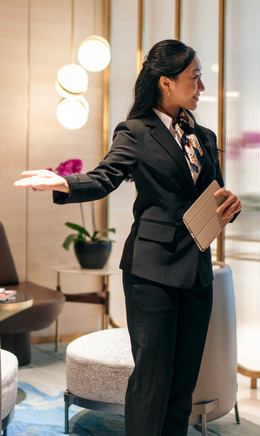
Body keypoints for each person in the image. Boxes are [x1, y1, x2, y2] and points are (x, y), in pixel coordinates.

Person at [14, 39, 241, 436]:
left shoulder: (203, 137)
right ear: (166, 82)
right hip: (151, 271)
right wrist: (65, 183)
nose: (201, 86)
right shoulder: (136, 131)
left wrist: (230, 204)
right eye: (195, 76)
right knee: (153, 377)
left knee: (183, 380)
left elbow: (213, 195)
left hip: (196, 269)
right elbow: (105, 177)